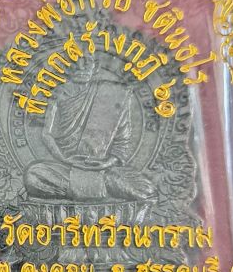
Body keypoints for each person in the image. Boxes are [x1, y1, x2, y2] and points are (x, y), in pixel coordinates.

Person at [23, 54, 156, 201]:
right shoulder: (58, 94)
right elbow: (46, 134)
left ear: (96, 66)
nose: (81, 67)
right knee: (33, 175)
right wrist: (64, 159)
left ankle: (85, 189)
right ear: (67, 67)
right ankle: (101, 189)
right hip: (66, 167)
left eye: (86, 62)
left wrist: (106, 163)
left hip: (102, 169)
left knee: (144, 186)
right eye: (76, 62)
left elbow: (122, 143)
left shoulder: (116, 94)